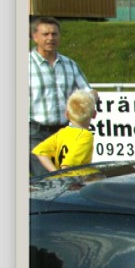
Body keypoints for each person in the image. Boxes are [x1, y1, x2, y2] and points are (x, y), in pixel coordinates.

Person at [28, 16, 95, 175]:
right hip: (35, 132)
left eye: (54, 34)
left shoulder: (69, 64)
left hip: (65, 132)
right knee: (46, 180)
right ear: (34, 37)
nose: (50, 38)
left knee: (69, 179)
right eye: (45, 34)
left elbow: (89, 91)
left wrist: (88, 103)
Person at [30, 89, 98, 173]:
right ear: (94, 114)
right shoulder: (85, 136)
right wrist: (63, 175)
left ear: (67, 114)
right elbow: (67, 165)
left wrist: (55, 173)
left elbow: (39, 151)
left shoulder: (62, 132)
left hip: (63, 179)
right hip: (76, 180)